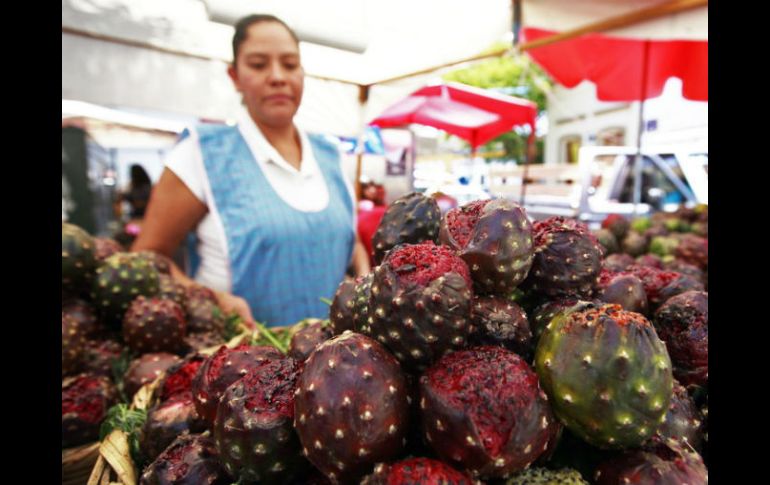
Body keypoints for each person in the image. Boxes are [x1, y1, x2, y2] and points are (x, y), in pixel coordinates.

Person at [131, 14, 370, 327]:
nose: (277, 77)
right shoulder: (201, 155)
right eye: (258, 65)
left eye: (289, 64)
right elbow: (146, 259)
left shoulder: (334, 156)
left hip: (334, 363)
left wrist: (366, 278)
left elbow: (346, 241)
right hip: (240, 363)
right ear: (234, 76)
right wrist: (212, 299)